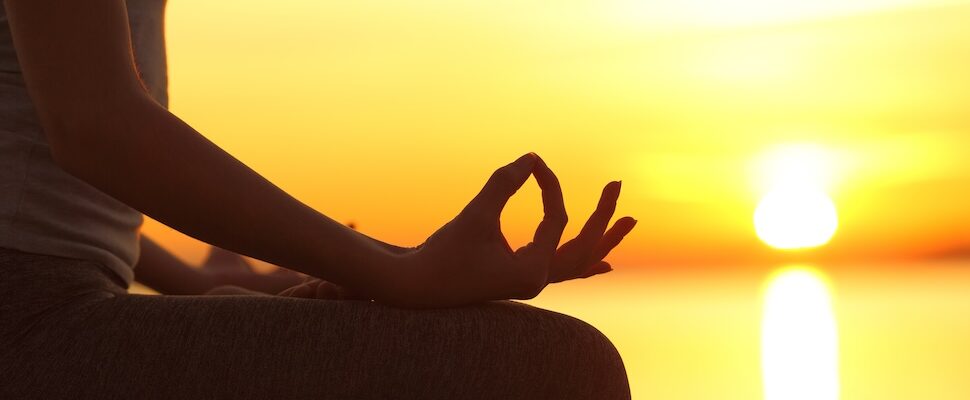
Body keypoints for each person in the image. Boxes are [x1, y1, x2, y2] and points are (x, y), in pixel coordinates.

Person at [0, 0, 638, 398]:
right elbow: (93, 127)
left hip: (58, 297)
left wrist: (189, 282)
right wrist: (399, 271)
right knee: (563, 371)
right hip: (31, 325)